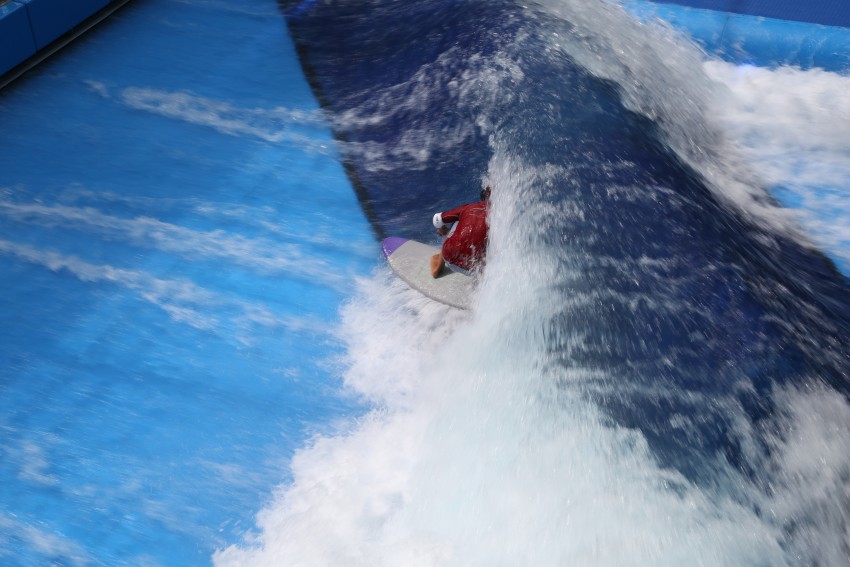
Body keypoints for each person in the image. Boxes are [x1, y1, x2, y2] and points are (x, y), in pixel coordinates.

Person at [430, 186, 490, 278]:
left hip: (450, 258)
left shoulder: (468, 207)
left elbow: (437, 219)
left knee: (458, 221)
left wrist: (441, 228)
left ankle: (437, 268)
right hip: (476, 270)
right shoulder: (499, 216)